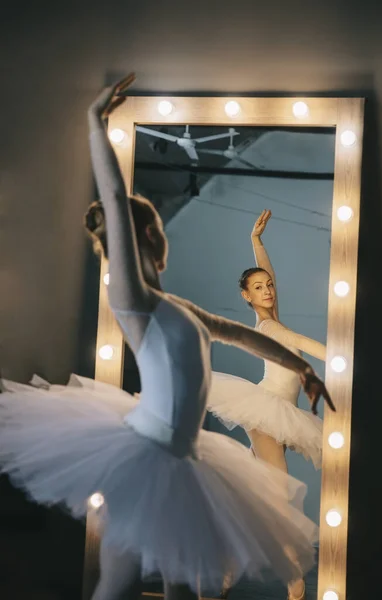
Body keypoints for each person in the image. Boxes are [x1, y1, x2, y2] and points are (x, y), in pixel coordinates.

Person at [0, 75, 333, 600]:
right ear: (139, 241)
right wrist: (94, 122)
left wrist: (305, 369)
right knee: (119, 581)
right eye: (152, 228)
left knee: (187, 587)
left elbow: (249, 339)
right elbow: (113, 197)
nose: (160, 234)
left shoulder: (186, 311)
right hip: (147, 458)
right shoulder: (134, 302)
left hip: (185, 464)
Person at [207, 209, 328, 599]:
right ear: (246, 297)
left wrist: (257, 242)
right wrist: (344, 355)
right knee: (278, 497)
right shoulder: (272, 327)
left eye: (269, 284)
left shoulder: (274, 316)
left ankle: (224, 570)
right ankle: (293, 578)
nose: (268, 289)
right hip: (266, 411)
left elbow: (268, 278)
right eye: (258, 288)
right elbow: (311, 348)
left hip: (275, 408)